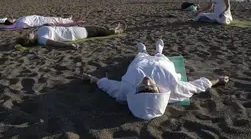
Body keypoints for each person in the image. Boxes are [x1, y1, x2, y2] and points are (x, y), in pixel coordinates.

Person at [82, 39, 229, 120]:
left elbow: (106, 85)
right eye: (150, 88)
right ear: (158, 91)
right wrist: (218, 80)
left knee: (140, 58)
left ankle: (143, 51)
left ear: (137, 91)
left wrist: (92, 78)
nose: (146, 82)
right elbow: (199, 85)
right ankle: (159, 51)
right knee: (161, 59)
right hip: (161, 64)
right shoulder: (174, 88)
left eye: (142, 88)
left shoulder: (125, 91)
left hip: (140, 64)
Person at [15, 23, 126, 50]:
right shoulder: (42, 39)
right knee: (97, 30)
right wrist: (69, 46)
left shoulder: (38, 32)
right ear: (31, 39)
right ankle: (116, 31)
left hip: (73, 29)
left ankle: (113, 30)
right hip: (75, 33)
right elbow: (54, 43)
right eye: (27, 35)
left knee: (96, 29)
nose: (27, 33)